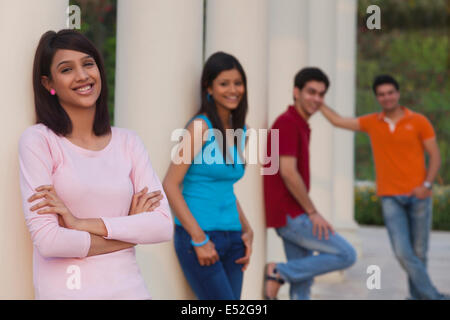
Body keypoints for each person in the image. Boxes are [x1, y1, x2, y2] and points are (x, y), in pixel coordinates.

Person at [19, 29, 172, 299]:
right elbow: (50, 241)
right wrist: (131, 228)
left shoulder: (128, 142)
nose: (82, 75)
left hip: (130, 290)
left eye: (88, 64)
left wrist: (79, 223)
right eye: (67, 69)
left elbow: (161, 225)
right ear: (47, 83)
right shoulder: (39, 141)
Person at [320, 74, 447, 300]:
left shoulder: (418, 121)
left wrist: (427, 184)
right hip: (390, 198)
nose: (387, 98)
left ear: (397, 94)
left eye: (390, 93)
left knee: (419, 253)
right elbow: (338, 121)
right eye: (381, 94)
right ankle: (434, 297)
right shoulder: (371, 122)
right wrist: (318, 102)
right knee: (402, 252)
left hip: (419, 196)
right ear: (377, 97)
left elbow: (435, 155)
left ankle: (417, 296)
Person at [163, 52, 253, 300]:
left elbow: (226, 188)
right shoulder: (200, 127)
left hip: (234, 238)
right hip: (201, 236)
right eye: (224, 83)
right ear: (209, 87)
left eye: (238, 83)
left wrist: (247, 229)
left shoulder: (241, 131)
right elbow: (170, 184)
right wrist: (199, 239)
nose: (233, 90)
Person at [263, 67, 356, 300]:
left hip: (291, 213)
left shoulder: (299, 123)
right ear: (296, 91)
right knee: (346, 254)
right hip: (291, 214)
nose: (316, 99)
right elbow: (288, 172)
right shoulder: (287, 123)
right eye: (311, 92)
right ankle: (278, 271)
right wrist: (313, 212)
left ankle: (283, 273)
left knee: (302, 284)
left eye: (321, 94)